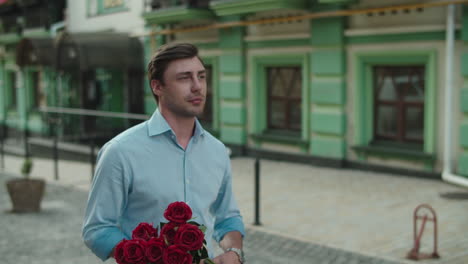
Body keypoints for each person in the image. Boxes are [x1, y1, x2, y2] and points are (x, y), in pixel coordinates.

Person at [82, 43, 245, 264]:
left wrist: (234, 252)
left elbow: (227, 218)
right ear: (158, 86)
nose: (198, 87)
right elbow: (98, 228)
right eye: (184, 78)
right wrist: (144, 259)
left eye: (202, 76)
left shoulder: (217, 151)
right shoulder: (120, 151)